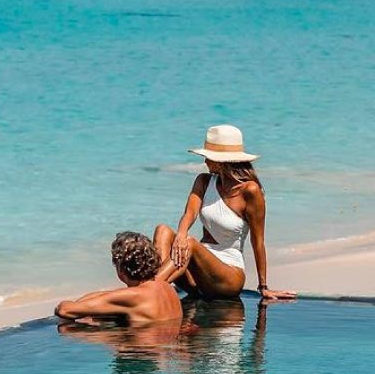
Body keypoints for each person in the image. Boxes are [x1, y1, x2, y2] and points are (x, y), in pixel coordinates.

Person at [150, 125, 295, 301]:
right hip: (197, 275)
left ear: (221, 161)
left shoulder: (250, 191)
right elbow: (189, 214)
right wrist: (180, 234)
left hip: (228, 276)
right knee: (163, 230)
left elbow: (258, 241)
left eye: (207, 157)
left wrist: (263, 287)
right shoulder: (203, 181)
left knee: (191, 243)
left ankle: (149, 288)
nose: (204, 161)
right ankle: (153, 284)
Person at [55, 231, 182, 326]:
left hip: (142, 356)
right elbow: (113, 296)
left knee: (72, 329)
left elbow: (64, 310)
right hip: (166, 348)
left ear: (121, 270)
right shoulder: (166, 287)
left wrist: (75, 305)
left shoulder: (134, 296)